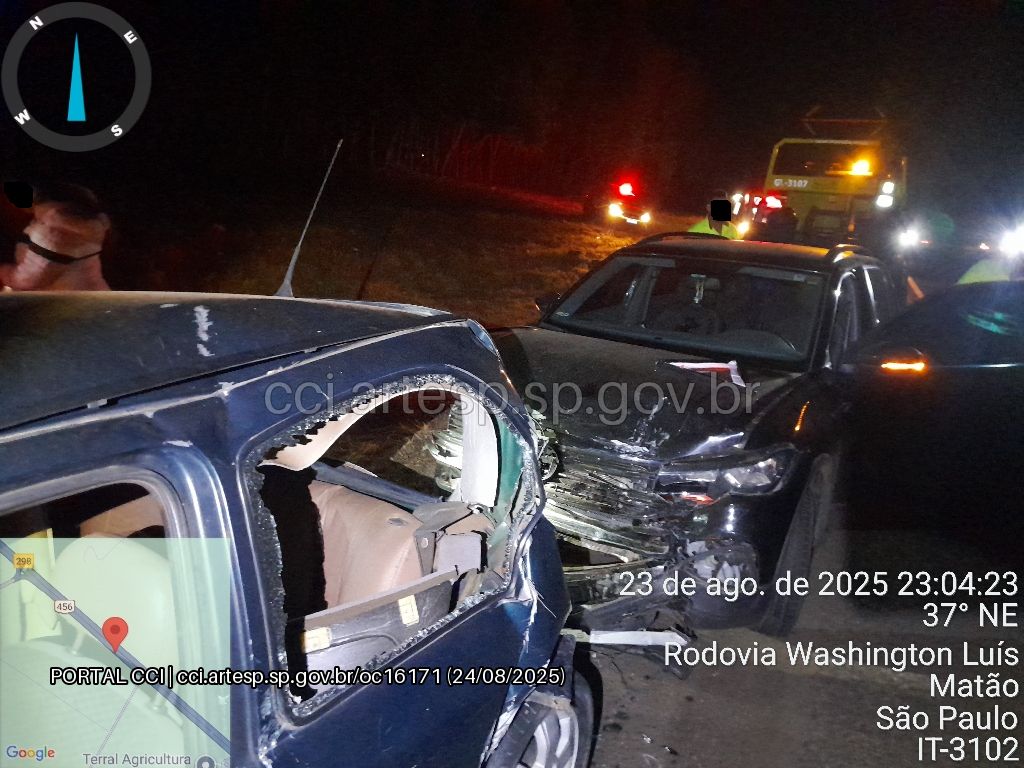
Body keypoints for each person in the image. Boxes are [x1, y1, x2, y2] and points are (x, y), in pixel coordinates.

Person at [0, 182, 111, 291]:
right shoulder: (79, 223)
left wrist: (3, 272)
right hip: (85, 295)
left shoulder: (57, 229)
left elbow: (29, 279)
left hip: (66, 300)